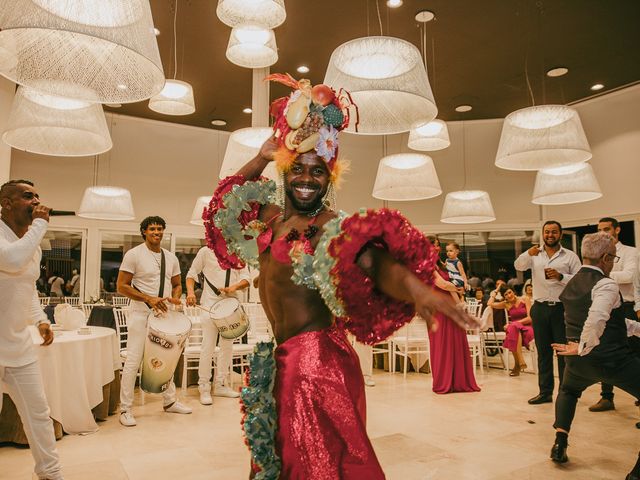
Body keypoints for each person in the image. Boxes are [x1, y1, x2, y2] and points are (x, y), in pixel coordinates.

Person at [204, 74, 477, 479]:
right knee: (285, 458)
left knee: (313, 466)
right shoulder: (272, 217)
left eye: (318, 173)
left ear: (329, 178)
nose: (307, 180)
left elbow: (375, 263)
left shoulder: (333, 225)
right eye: (298, 169)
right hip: (286, 357)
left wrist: (418, 290)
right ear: (285, 169)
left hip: (317, 361)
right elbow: (223, 203)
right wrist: (261, 156)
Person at [549, 232, 640, 480]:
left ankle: (559, 443)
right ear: (606, 258)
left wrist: (579, 350)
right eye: (614, 257)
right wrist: (582, 346)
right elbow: (596, 318)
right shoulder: (606, 284)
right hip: (612, 361)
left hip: (579, 364)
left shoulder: (572, 281)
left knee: (567, 391)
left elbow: (614, 321)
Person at [0, 179, 63, 480]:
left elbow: (27, 290)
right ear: (6, 203)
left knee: (38, 413)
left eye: (38, 195)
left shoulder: (31, 246)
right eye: (28, 196)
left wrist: (40, 319)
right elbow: (11, 260)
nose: (36, 201)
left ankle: (50, 473)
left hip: (18, 344)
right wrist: (40, 225)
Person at [116, 216, 192, 427]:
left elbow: (177, 284)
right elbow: (121, 286)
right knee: (133, 361)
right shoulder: (134, 254)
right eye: (152, 229)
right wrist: (148, 298)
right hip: (140, 315)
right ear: (144, 232)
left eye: (160, 229)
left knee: (166, 359)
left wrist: (176, 296)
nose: (156, 232)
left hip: (163, 315)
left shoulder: (171, 258)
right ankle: (125, 409)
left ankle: (169, 402)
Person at [514, 221, 581, 405]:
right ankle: (545, 393)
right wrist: (529, 253)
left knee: (562, 352)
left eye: (554, 232)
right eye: (547, 232)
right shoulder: (535, 254)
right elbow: (519, 266)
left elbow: (580, 280)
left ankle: (565, 392)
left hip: (562, 308)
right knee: (543, 353)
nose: (550, 235)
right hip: (540, 308)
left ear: (560, 234)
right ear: (542, 234)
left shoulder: (570, 256)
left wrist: (561, 277)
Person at [185, 246, 250, 404]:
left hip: (230, 307)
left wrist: (233, 287)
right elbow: (191, 273)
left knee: (227, 347)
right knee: (207, 346)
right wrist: (191, 292)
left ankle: (221, 384)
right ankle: (204, 387)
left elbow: (246, 278)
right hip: (209, 306)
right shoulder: (206, 252)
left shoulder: (239, 251)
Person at [589, 217, 639, 412]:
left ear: (617, 230)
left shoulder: (630, 252)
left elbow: (629, 276)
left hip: (628, 306)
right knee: (605, 351)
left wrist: (602, 275)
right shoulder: (597, 254)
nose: (603, 233)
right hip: (606, 308)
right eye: (600, 230)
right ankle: (606, 397)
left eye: (607, 229)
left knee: (635, 352)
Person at [427, 235, 480, 394]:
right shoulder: (427, 265)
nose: (438, 248)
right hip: (439, 309)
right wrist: (457, 288)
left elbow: (455, 279)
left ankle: (458, 381)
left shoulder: (442, 265)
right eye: (434, 245)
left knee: (456, 342)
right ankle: (444, 381)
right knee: (443, 344)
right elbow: (441, 284)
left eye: (438, 245)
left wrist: (459, 288)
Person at [488, 286, 533, 376]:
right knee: (513, 329)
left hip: (527, 328)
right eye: (506, 294)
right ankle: (520, 361)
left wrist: (513, 324)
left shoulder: (525, 299)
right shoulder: (506, 304)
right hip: (515, 330)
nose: (508, 295)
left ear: (513, 292)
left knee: (512, 329)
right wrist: (496, 291)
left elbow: (530, 318)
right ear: (504, 297)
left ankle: (517, 364)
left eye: (509, 292)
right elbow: (490, 303)